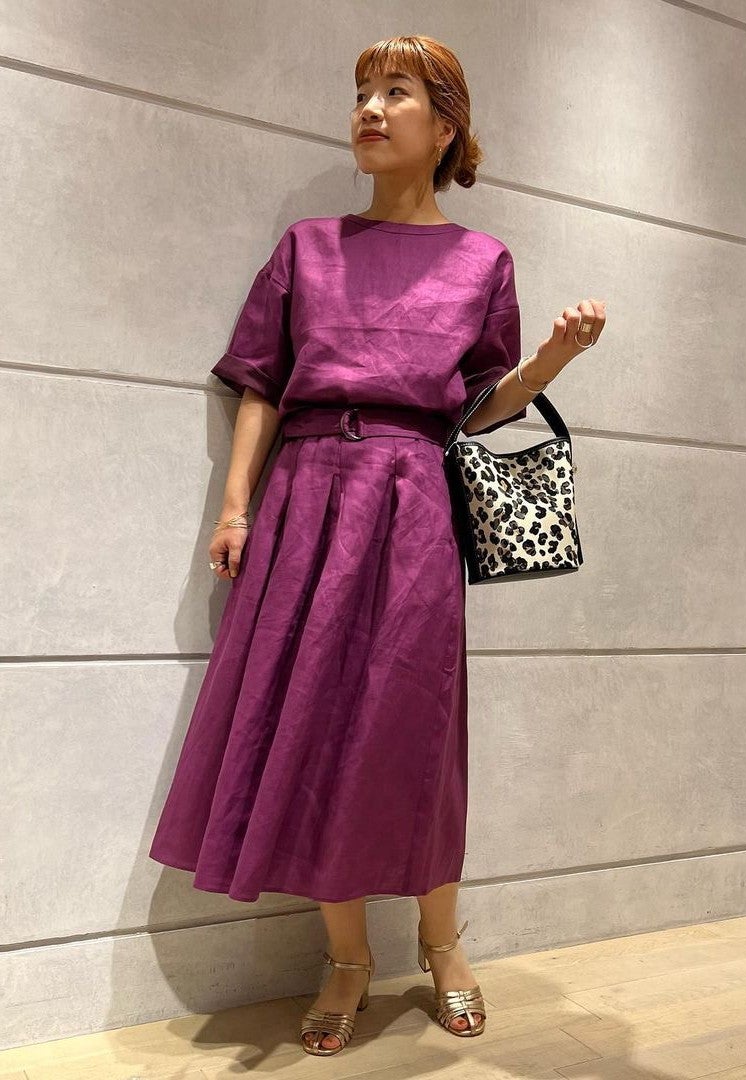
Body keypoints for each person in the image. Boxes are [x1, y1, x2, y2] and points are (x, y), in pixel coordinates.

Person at [148, 33, 605, 1057]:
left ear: (444, 127)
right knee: (313, 721)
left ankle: (443, 944)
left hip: (412, 504)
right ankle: (347, 959)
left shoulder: (483, 261)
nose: (368, 109)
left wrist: (551, 359)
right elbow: (262, 384)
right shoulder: (307, 248)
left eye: (395, 92)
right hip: (307, 497)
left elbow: (478, 409)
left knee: (412, 730)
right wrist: (235, 508)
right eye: (361, 91)